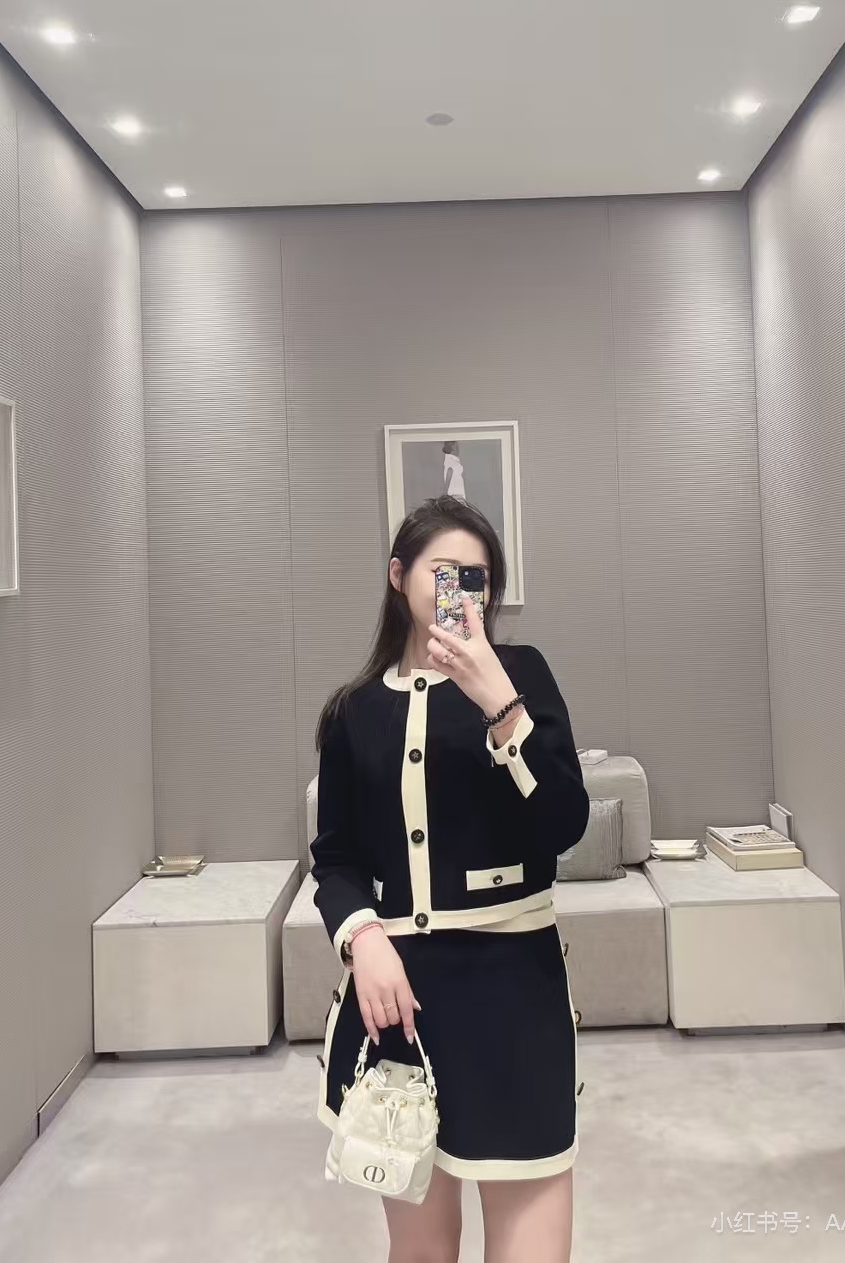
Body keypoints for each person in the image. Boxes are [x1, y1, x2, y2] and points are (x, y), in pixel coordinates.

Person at [312, 496, 589, 1263]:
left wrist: (500, 704)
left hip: (515, 999)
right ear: (398, 576)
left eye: (478, 577)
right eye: (445, 573)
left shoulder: (521, 675)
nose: (463, 590)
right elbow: (335, 859)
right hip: (399, 1008)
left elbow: (565, 822)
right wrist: (363, 940)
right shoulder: (355, 713)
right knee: (421, 1251)